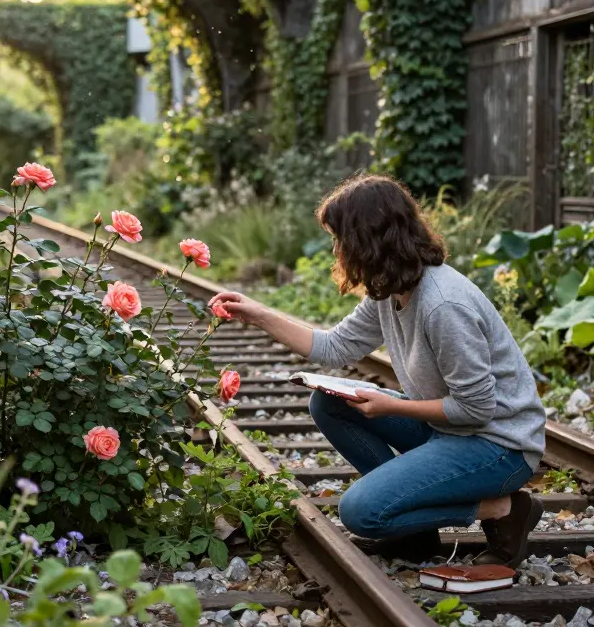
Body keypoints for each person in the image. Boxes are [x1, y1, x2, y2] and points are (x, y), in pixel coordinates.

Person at [209, 174, 546, 566]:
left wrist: (391, 406)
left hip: (498, 448)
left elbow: (476, 409)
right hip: (453, 431)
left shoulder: (444, 306)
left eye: (340, 239)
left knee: (361, 512)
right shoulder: (390, 290)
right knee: (330, 404)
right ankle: (415, 536)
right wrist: (260, 315)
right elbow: (333, 347)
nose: (335, 249)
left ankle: (503, 510)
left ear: (368, 241)